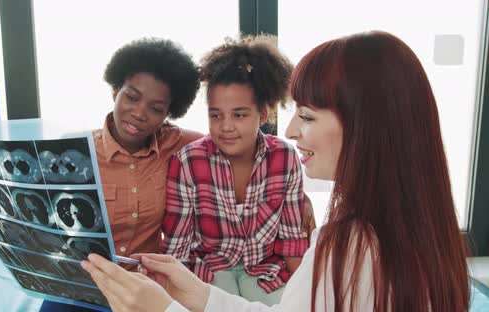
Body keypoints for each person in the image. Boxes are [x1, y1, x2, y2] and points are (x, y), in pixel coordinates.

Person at [81, 31, 470, 312]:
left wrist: (162, 310)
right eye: (216, 115)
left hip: (260, 272)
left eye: (306, 115)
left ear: (365, 125)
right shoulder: (423, 231)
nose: (290, 131)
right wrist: (195, 293)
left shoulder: (348, 244)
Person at [160, 35, 309, 305]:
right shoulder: (188, 162)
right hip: (210, 270)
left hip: (266, 269)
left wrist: (307, 294)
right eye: (216, 115)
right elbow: (177, 244)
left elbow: (291, 238)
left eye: (239, 115)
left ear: (262, 115)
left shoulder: (285, 157)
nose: (226, 126)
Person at [93, 38, 202, 263]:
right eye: (132, 98)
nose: (140, 113)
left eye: (156, 108)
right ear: (115, 91)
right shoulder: (79, 152)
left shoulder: (177, 143)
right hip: (86, 281)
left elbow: (228, 142)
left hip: (147, 283)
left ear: (168, 113)